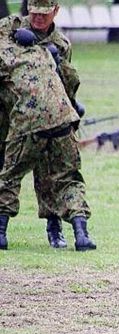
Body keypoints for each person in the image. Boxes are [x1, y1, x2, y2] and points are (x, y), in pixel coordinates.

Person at [0, 0, 85, 249]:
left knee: (49, 172)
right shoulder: (10, 27)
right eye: (34, 13)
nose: (37, 18)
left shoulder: (61, 44)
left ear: (55, 12)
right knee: (8, 170)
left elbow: (64, 83)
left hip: (42, 114)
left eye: (43, 14)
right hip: (8, 111)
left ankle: (54, 227)